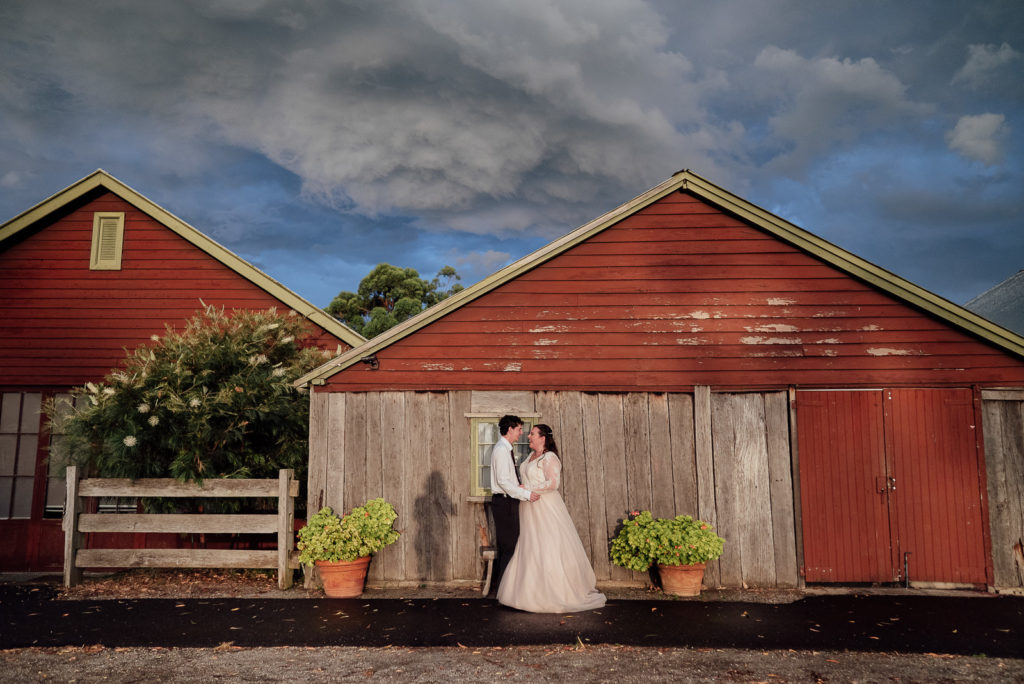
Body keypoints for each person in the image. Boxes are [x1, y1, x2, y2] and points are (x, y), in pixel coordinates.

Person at [497, 424, 606, 613]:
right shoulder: (530, 458)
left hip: (545, 506)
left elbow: (553, 483)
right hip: (528, 507)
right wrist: (522, 490)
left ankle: (554, 593)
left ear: (543, 438)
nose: (528, 436)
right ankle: (528, 592)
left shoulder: (550, 457)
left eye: (532, 434)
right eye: (529, 433)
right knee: (531, 546)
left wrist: (530, 490)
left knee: (548, 545)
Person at [488, 414, 539, 593]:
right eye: (518, 429)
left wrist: (519, 487)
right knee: (509, 546)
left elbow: (508, 480)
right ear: (509, 429)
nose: (521, 433)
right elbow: (503, 481)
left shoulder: (505, 449)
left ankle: (506, 589)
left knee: (509, 546)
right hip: (504, 502)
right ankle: (504, 591)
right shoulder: (502, 450)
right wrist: (526, 494)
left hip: (507, 500)